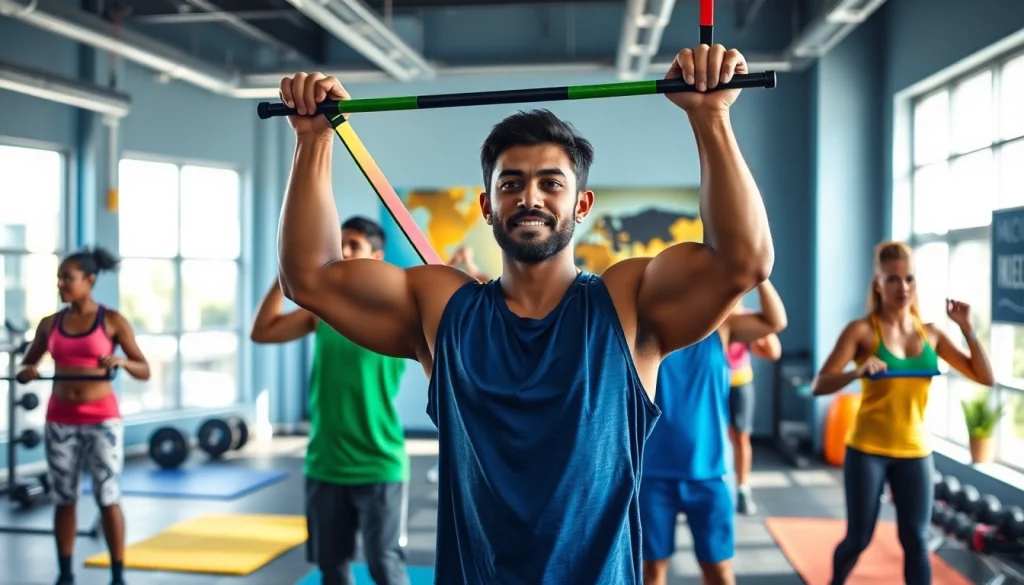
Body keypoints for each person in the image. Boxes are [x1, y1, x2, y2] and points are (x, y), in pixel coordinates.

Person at [274, 42, 774, 584]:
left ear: (581, 205)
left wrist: (711, 117)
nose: (529, 197)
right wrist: (314, 139)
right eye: (510, 183)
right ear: (488, 206)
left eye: (551, 183)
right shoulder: (443, 306)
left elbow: (742, 262)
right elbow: (310, 279)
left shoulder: (627, 302)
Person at [812, 241, 995, 585]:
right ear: (878, 284)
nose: (903, 287)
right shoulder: (862, 331)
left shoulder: (933, 334)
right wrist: (856, 371)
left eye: (909, 279)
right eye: (893, 279)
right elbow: (819, 384)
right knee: (859, 539)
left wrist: (967, 328)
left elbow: (985, 377)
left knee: (915, 541)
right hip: (867, 449)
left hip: (915, 452)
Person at [250, 216, 410, 585]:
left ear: (377, 257)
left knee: (385, 566)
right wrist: (284, 273)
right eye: (340, 244)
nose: (343, 252)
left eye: (353, 245)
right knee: (332, 568)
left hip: (379, 463)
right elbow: (262, 331)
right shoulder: (322, 311)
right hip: (325, 463)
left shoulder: (398, 313)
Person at [16, 246, 150, 585]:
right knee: (64, 498)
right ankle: (64, 575)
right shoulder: (50, 324)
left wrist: (121, 362)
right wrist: (28, 371)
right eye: (59, 278)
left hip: (102, 420)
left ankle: (117, 576)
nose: (61, 284)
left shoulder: (113, 321)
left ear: (89, 280)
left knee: (108, 497)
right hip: (60, 420)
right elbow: (26, 367)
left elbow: (144, 369)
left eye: (67, 278)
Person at [640, 282, 787, 585]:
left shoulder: (723, 329)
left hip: (710, 474)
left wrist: (760, 277)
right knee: (652, 569)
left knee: (718, 571)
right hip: (654, 473)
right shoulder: (646, 332)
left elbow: (775, 323)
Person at [725, 281, 786, 516]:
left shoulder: (745, 319)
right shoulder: (707, 318)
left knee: (741, 437)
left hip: (739, 382)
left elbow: (772, 352)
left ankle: (742, 489)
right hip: (710, 385)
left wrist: (758, 331)